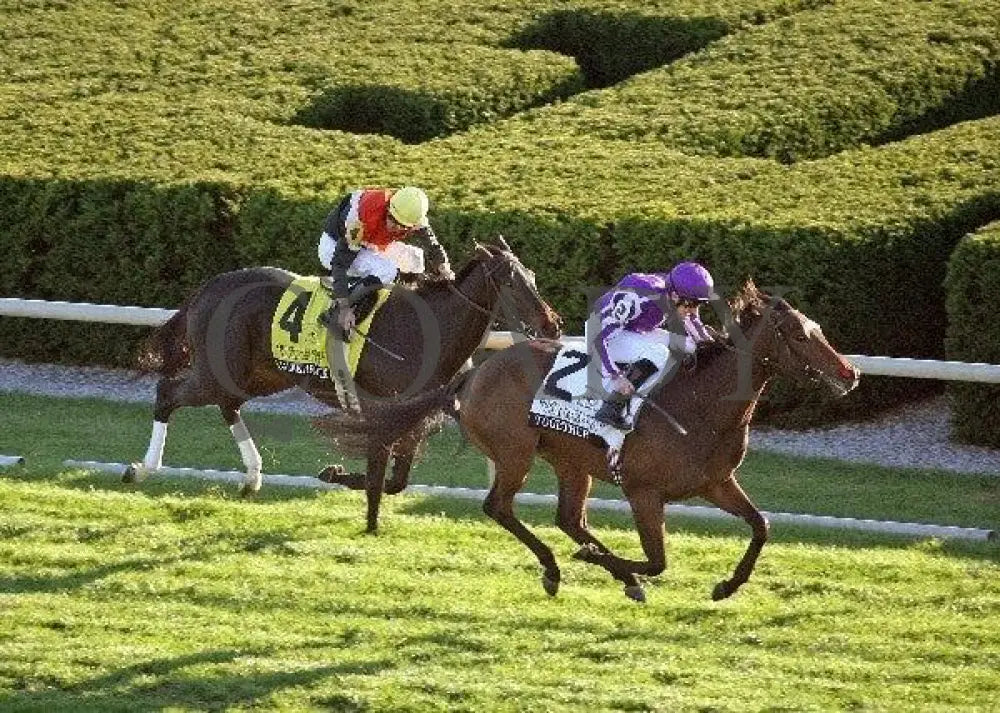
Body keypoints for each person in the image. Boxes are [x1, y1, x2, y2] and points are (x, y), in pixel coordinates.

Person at [591, 261, 718, 430]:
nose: (695, 310)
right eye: (693, 304)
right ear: (674, 296)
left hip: (633, 329)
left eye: (699, 304)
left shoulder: (677, 294)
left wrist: (712, 344)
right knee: (658, 353)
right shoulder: (637, 297)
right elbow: (597, 339)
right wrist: (616, 377)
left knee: (689, 345)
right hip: (602, 334)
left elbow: (693, 323)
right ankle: (612, 406)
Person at [317, 186, 454, 336]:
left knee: (416, 258)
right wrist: (343, 306)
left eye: (401, 225)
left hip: (371, 242)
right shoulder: (359, 220)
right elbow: (340, 264)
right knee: (387, 270)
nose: (393, 227)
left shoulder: (411, 213)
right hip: (333, 246)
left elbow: (432, 245)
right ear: (389, 206)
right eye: (391, 218)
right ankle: (336, 316)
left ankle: (408, 312)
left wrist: (444, 267)